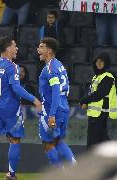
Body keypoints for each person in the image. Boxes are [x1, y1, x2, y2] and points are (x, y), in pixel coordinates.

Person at [0, 36, 42, 180]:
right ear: (8, 49)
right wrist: (34, 99)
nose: (17, 48)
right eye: (14, 46)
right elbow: (16, 87)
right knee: (14, 140)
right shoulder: (12, 66)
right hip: (10, 110)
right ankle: (12, 174)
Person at [37, 37, 76, 167]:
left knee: (48, 143)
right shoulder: (59, 65)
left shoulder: (50, 68)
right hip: (64, 108)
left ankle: (61, 175)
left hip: (51, 110)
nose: (38, 50)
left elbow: (55, 91)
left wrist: (52, 114)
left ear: (49, 50)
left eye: (41, 47)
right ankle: (73, 165)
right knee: (58, 141)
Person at [79, 52, 117, 148]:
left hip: (99, 112)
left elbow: (99, 95)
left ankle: (90, 160)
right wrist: (86, 101)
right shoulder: (97, 77)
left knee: (93, 140)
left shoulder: (107, 77)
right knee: (102, 138)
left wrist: (84, 100)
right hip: (96, 112)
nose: (99, 63)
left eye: (102, 61)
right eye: (97, 61)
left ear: (106, 63)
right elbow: (92, 92)